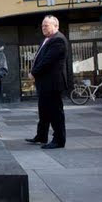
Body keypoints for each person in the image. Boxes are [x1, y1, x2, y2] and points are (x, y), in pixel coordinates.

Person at [26, 15, 68, 149]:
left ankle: (59, 140)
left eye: (47, 25)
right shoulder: (47, 39)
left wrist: (34, 72)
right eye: (43, 25)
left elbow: (47, 61)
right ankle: (41, 136)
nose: (43, 27)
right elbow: (40, 58)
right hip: (44, 83)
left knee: (56, 113)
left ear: (56, 26)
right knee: (43, 112)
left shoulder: (58, 40)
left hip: (52, 84)